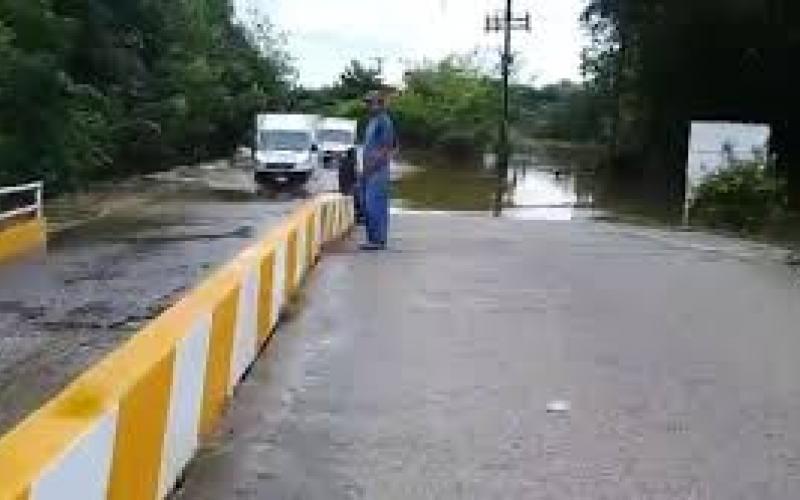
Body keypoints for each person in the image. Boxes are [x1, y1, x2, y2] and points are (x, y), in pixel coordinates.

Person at [360, 90, 396, 250]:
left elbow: (386, 149)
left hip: (378, 170)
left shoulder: (384, 122)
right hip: (369, 169)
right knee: (366, 204)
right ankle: (372, 239)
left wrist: (373, 167)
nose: (368, 106)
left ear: (380, 103)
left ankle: (378, 240)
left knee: (375, 204)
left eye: (370, 102)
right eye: (367, 103)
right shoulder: (372, 121)